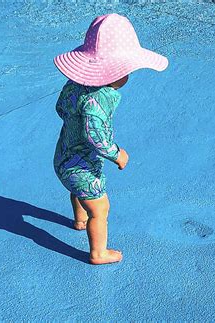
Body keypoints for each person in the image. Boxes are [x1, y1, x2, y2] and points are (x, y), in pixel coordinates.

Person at [52, 13, 169, 265]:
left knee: (79, 193)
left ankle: (79, 220)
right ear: (114, 73)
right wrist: (118, 154)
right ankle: (98, 253)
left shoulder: (73, 84)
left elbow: (60, 108)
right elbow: (97, 138)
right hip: (81, 168)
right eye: (127, 70)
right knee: (100, 208)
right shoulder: (98, 102)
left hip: (62, 156)